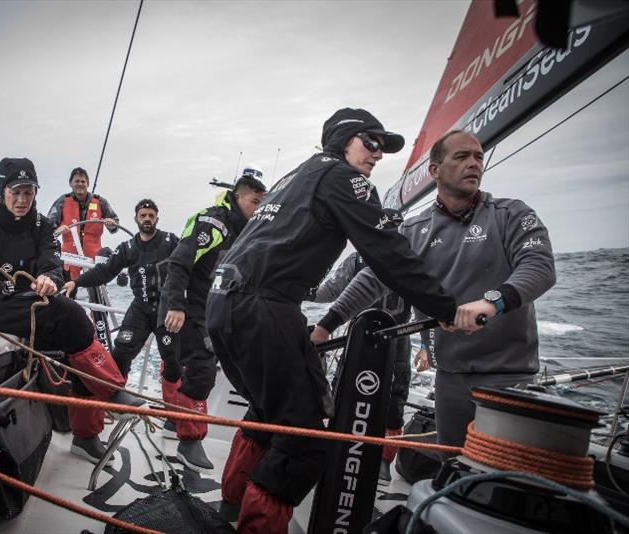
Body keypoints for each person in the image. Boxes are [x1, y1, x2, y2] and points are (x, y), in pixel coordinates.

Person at [205, 108, 465, 531]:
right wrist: (446, 308)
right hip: (263, 307)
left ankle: (229, 512)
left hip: (224, 304)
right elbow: (386, 251)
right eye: (372, 143)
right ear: (345, 139)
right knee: (305, 446)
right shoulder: (346, 179)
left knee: (269, 416)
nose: (378, 155)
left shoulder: (298, 175)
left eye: (384, 147)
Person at [313, 130, 556, 448]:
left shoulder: (511, 214)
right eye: (461, 156)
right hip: (450, 376)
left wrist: (491, 303)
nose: (474, 163)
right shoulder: (414, 230)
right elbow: (374, 278)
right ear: (435, 170)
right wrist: (325, 326)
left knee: (498, 481)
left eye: (479, 156)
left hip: (508, 376)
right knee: (450, 463)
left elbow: (540, 267)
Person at [0, 157, 143, 465]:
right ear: (3, 190)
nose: (22, 200)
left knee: (74, 338)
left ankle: (86, 436)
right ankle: (111, 391)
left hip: (27, 308)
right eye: (15, 192)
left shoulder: (41, 225)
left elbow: (52, 262)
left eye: (29, 193)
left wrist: (51, 277)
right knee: (71, 314)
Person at [162, 175, 267, 472]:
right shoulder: (214, 224)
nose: (259, 210)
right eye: (255, 202)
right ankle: (189, 442)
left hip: (215, 309)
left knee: (223, 366)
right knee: (202, 370)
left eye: (264, 204)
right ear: (238, 197)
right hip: (187, 306)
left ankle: (175, 420)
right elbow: (180, 263)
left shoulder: (247, 231)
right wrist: (175, 305)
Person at [307, 208, 412, 482]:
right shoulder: (356, 260)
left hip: (399, 339)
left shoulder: (413, 258)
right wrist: (301, 288)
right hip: (358, 337)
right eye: (385, 227)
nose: (390, 232)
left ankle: (383, 461)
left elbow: (427, 300)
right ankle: (335, 447)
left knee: (394, 402)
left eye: (395, 227)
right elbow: (331, 291)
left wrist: (427, 344)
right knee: (344, 389)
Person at [63, 198, 180, 400]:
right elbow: (105, 271)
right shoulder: (127, 247)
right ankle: (116, 400)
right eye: (143, 215)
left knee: (173, 360)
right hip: (140, 309)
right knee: (120, 354)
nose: (147, 219)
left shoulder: (171, 241)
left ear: (157, 219)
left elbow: (187, 267)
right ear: (136, 218)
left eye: (151, 216)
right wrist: (77, 282)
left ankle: (174, 414)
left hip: (166, 309)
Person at [47, 166, 119, 282]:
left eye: (83, 181)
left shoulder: (100, 202)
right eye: (76, 181)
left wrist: (111, 224)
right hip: (69, 259)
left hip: (94, 259)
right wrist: (58, 230)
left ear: (88, 183)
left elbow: (115, 226)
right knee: (67, 292)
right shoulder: (62, 201)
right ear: (70, 183)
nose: (80, 184)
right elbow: (48, 227)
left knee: (97, 288)